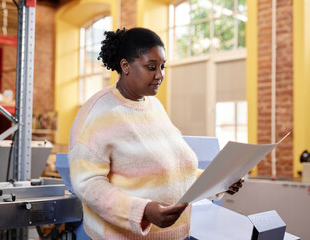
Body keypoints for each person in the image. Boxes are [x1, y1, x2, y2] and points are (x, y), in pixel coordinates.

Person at [68, 27, 243, 240]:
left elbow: (175, 170)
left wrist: (219, 182)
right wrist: (143, 211)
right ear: (125, 66)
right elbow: (88, 185)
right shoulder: (98, 113)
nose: (160, 75)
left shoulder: (154, 106)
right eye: (151, 67)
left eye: (163, 66)